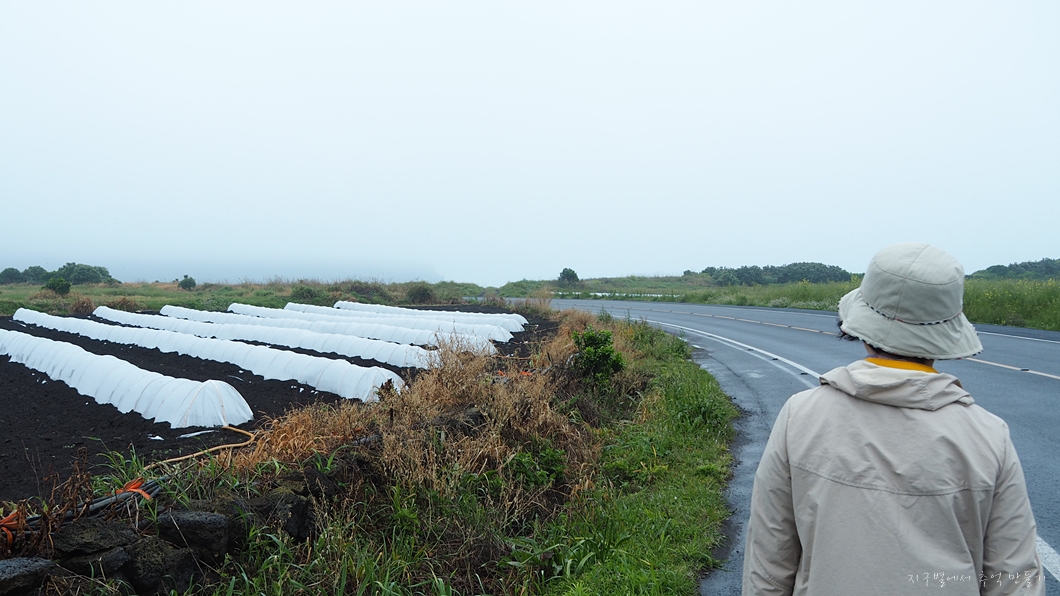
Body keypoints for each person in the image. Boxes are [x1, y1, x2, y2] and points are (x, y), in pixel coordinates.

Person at [742, 242, 1044, 595]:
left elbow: (769, 559)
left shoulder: (801, 414)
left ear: (861, 327)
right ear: (945, 333)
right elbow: (1014, 579)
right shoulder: (989, 435)